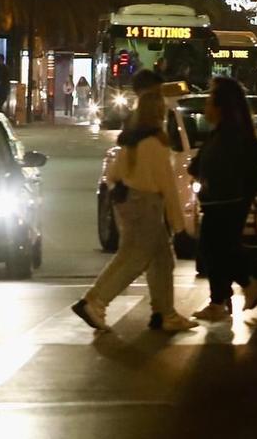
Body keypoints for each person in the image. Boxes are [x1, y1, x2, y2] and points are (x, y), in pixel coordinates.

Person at [73, 90, 196, 333]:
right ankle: (95, 301)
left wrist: (122, 192)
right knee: (135, 260)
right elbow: (167, 186)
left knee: (160, 259)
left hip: (129, 202)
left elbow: (112, 176)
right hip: (147, 204)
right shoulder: (156, 143)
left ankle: (165, 313)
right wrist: (179, 225)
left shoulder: (132, 140)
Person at [188, 76, 257, 322]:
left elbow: (225, 168)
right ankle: (226, 296)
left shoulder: (231, 136)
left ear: (221, 106)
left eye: (210, 101)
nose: (206, 108)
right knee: (219, 249)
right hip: (221, 200)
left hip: (227, 201)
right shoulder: (223, 133)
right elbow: (199, 165)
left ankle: (239, 288)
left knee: (215, 249)